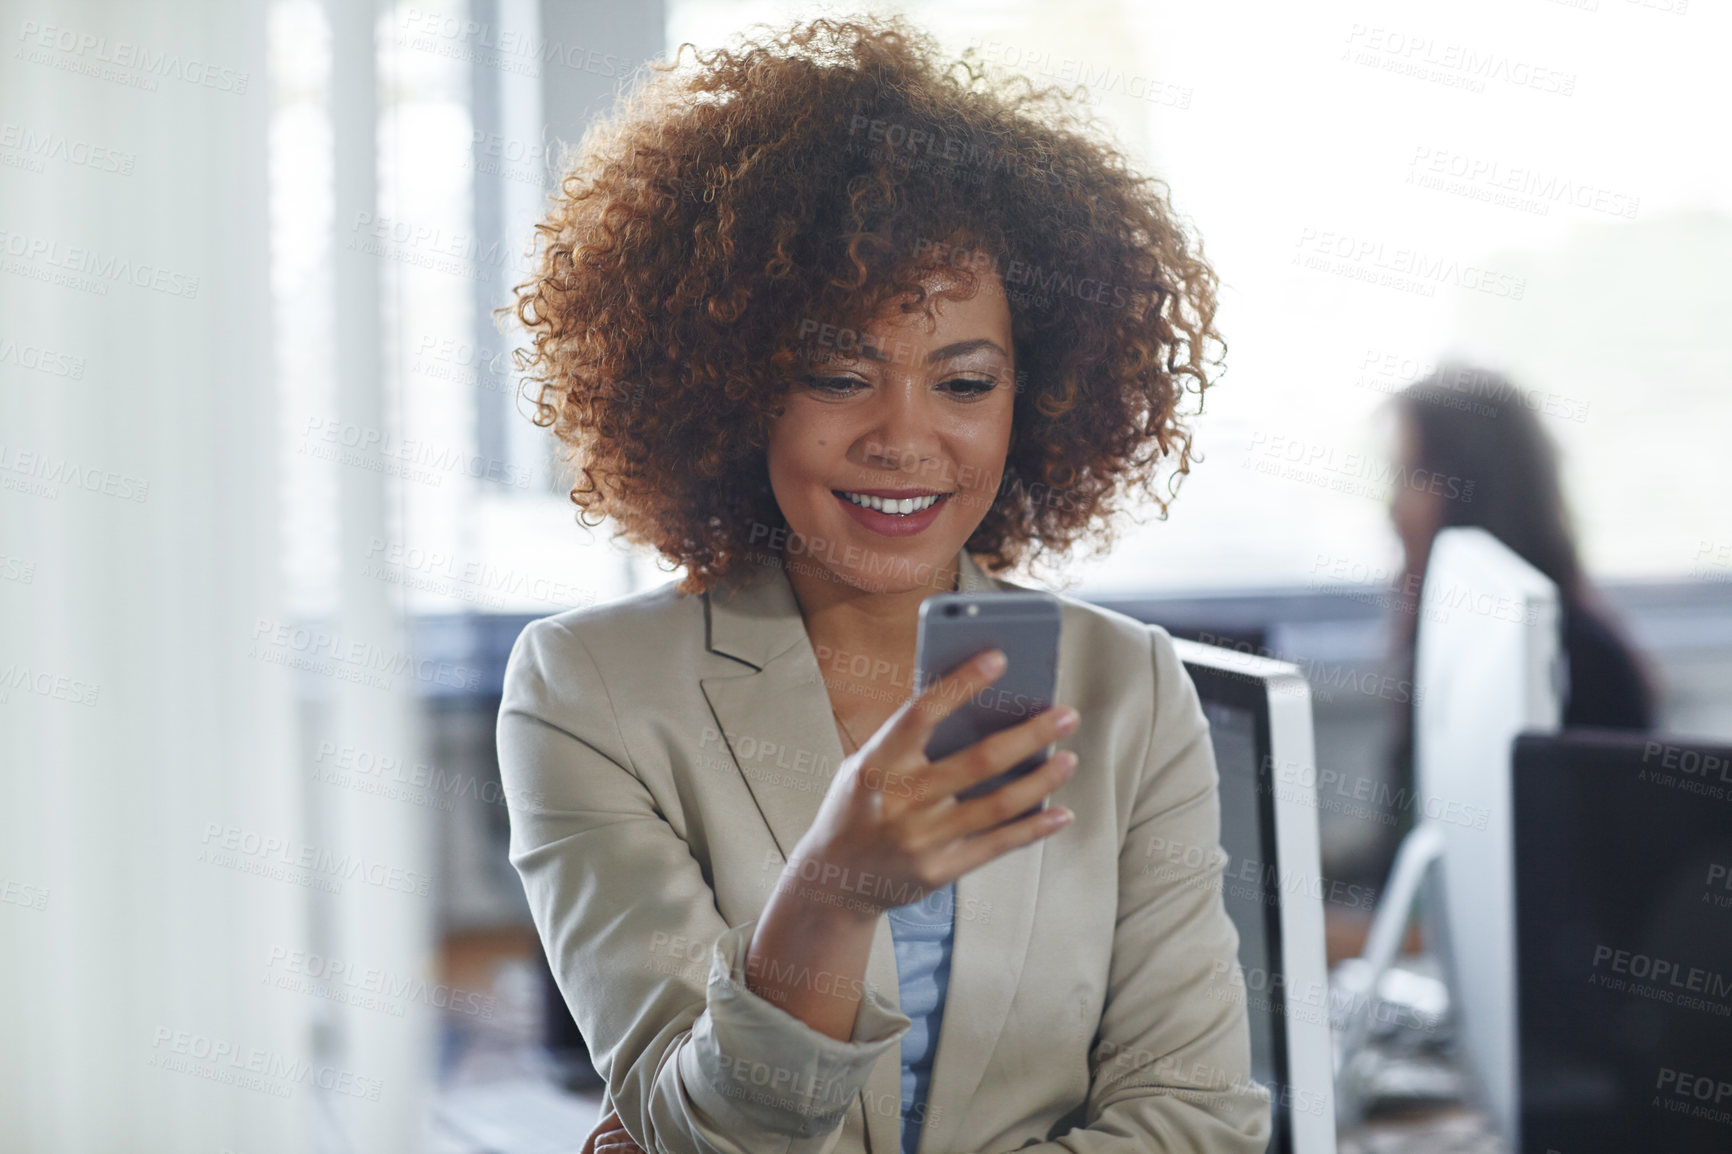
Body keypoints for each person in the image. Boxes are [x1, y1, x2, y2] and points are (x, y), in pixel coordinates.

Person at [497, 15, 1270, 1154]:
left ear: (1035, 395)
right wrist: (833, 888)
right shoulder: (587, 689)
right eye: (835, 374)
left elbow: (1196, 1123)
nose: (905, 438)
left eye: (963, 381)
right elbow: (704, 1132)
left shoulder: (1128, 686)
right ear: (732, 386)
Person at [1382, 364, 1658, 795]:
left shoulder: (1588, 666)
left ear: (1475, 493)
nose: (1393, 508)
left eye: (1413, 478)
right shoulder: (1448, 639)